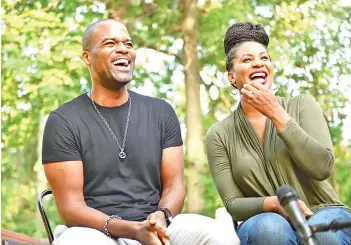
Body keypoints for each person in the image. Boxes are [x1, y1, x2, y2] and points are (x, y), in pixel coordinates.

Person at [42, 18, 240, 245]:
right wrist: (132, 230)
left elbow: (175, 187)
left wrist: (161, 216)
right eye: (110, 43)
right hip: (96, 231)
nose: (123, 50)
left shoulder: (161, 112)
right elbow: (71, 208)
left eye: (128, 44)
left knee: (219, 235)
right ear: (87, 57)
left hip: (156, 225)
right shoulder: (64, 120)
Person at [206, 22, 351, 245]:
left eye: (264, 58)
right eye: (247, 60)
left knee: (323, 234)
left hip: (322, 210)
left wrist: (276, 113)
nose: (258, 64)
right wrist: (273, 204)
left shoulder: (302, 105)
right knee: (270, 230)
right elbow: (233, 204)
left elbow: (323, 167)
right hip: (264, 219)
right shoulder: (219, 134)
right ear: (231, 77)